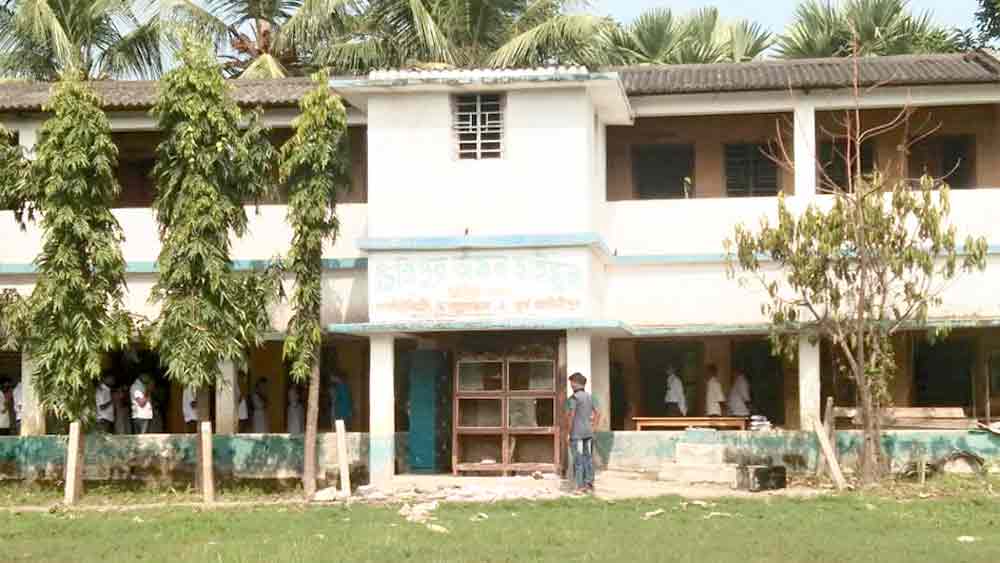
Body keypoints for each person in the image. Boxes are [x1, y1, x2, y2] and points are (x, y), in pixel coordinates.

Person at [565, 372, 600, 493]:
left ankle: (579, 487)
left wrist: (568, 433)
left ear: (575, 383)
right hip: (589, 434)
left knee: (578, 460)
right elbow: (598, 413)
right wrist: (594, 428)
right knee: (588, 459)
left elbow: (571, 416)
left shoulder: (574, 398)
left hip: (577, 435)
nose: (570, 385)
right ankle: (589, 485)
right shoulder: (590, 397)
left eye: (571, 382)